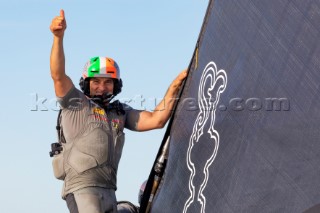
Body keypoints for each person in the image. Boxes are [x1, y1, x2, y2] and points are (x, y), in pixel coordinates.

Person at [49, 9, 187, 213]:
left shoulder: (119, 112)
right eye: (96, 81)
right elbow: (58, 76)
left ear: (116, 86)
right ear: (86, 83)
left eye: (108, 82)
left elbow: (156, 120)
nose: (102, 87)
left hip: (110, 190)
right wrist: (58, 38)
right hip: (82, 188)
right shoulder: (76, 103)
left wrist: (174, 88)